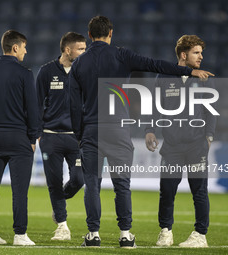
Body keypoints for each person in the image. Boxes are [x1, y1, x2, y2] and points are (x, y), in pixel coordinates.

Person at [69, 16, 214, 248]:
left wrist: (79, 134)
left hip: (91, 131)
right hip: (118, 130)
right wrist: (186, 71)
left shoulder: (78, 63)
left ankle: (93, 234)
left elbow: (73, 104)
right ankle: (126, 235)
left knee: (92, 184)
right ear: (110, 33)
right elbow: (155, 64)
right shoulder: (121, 55)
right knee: (122, 185)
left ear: (89, 35)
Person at [145, 35, 216, 248]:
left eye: (201, 53)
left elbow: (211, 110)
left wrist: (209, 135)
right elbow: (154, 107)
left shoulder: (204, 79)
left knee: (199, 192)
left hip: (196, 146)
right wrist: (149, 130)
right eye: (196, 52)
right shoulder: (164, 78)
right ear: (183, 55)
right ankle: (165, 232)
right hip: (172, 146)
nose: (201, 57)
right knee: (167, 191)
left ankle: (200, 235)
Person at [0, 30, 38, 246]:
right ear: (15, 48)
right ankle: (20, 235)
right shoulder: (25, 74)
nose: (26, 51)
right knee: (19, 191)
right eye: (24, 47)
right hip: (19, 138)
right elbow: (32, 109)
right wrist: (33, 137)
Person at [36, 32, 86, 241]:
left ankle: (58, 204)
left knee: (78, 179)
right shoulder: (46, 71)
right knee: (54, 182)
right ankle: (62, 226)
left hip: (76, 138)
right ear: (67, 50)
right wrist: (37, 133)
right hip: (50, 136)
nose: (85, 52)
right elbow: (36, 103)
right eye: (81, 49)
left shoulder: (85, 72)